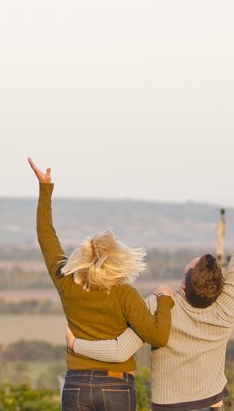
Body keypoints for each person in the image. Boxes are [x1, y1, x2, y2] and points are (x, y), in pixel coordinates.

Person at [67, 171, 234, 410]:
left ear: (184, 285)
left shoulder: (160, 306)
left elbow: (119, 351)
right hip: (210, 404)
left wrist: (76, 344)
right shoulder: (226, 307)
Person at [29, 157, 175, 411]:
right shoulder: (125, 294)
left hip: (76, 385)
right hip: (116, 384)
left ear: (80, 258)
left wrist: (45, 189)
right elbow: (159, 336)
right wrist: (164, 300)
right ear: (117, 260)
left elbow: (46, 236)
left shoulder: (66, 282)